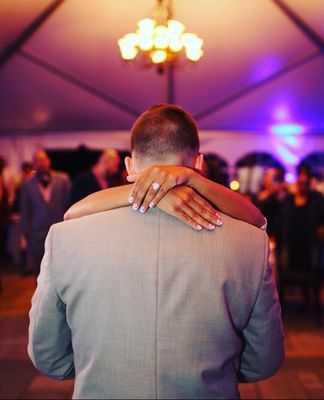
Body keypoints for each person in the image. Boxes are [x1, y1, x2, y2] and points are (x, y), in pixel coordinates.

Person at [28, 104, 284, 399]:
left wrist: (97, 368)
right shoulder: (249, 242)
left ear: (128, 166)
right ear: (199, 163)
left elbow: (47, 355)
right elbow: (265, 360)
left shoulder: (65, 237)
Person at [20, 150, 70, 276]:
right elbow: (24, 209)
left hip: (59, 232)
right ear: (34, 164)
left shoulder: (62, 180)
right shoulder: (27, 185)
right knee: (39, 269)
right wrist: (26, 234)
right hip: (36, 234)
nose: (40, 163)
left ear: (48, 161)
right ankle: (41, 295)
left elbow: (68, 205)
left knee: (60, 267)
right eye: (36, 161)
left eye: (43, 159)